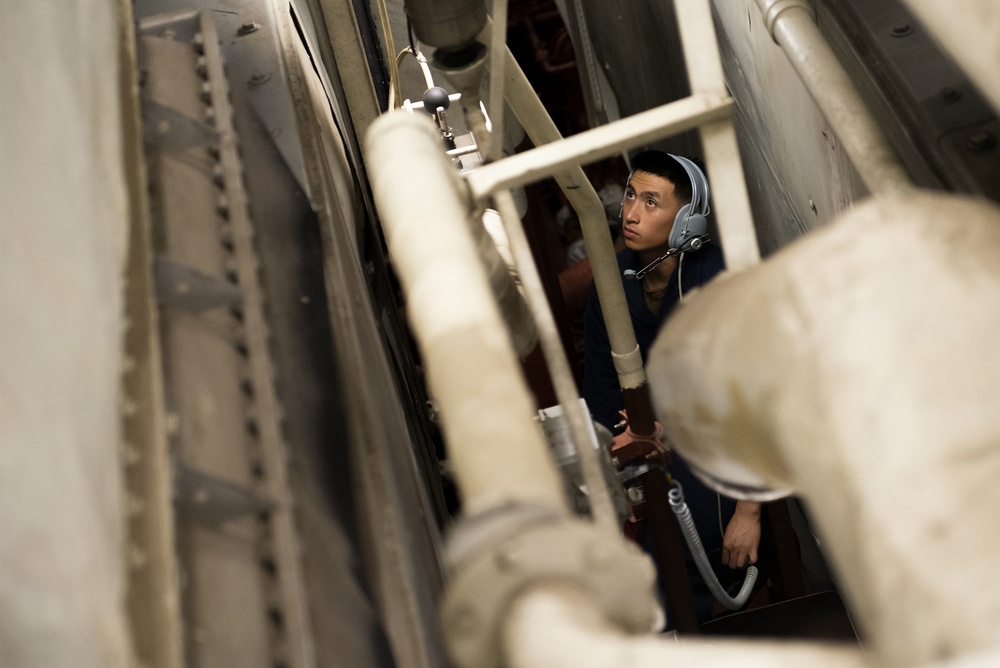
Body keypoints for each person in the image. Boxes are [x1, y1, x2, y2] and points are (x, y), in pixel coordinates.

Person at [580, 150, 763, 622]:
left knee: (687, 564)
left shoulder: (716, 284)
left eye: (651, 202)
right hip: (644, 452)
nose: (632, 212)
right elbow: (600, 387)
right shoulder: (613, 282)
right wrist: (612, 460)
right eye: (630, 196)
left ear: (687, 223)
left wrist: (749, 514)